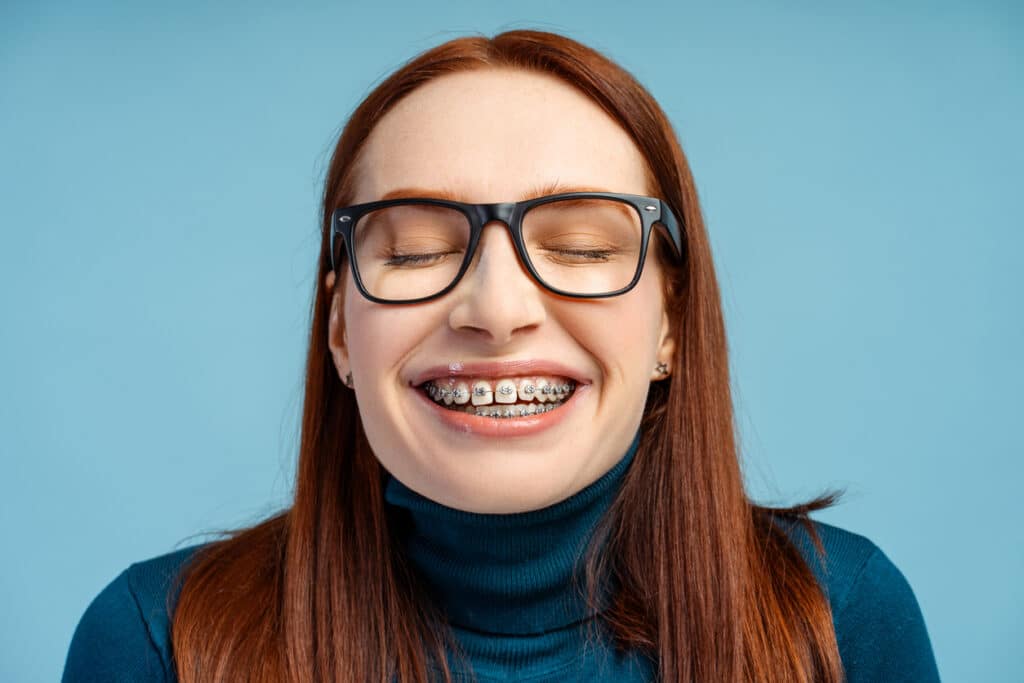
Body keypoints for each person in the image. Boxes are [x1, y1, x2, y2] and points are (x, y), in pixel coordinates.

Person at [63, 30, 940, 682]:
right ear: (338, 330)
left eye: (585, 248)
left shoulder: (839, 620)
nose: (495, 308)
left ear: (671, 323)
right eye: (413, 251)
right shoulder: (159, 642)